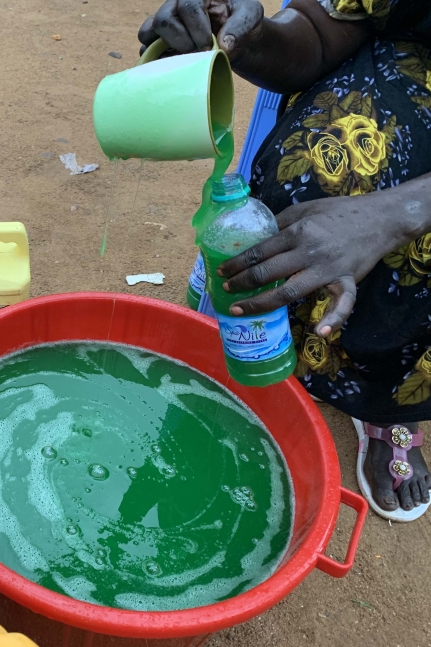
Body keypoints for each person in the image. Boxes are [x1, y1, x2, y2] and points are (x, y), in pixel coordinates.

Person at [138, 0, 431, 520]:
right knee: (322, 167)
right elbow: (320, 34)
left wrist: (391, 215)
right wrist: (246, 38)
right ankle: (280, 356)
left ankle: (393, 412)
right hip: (410, 57)